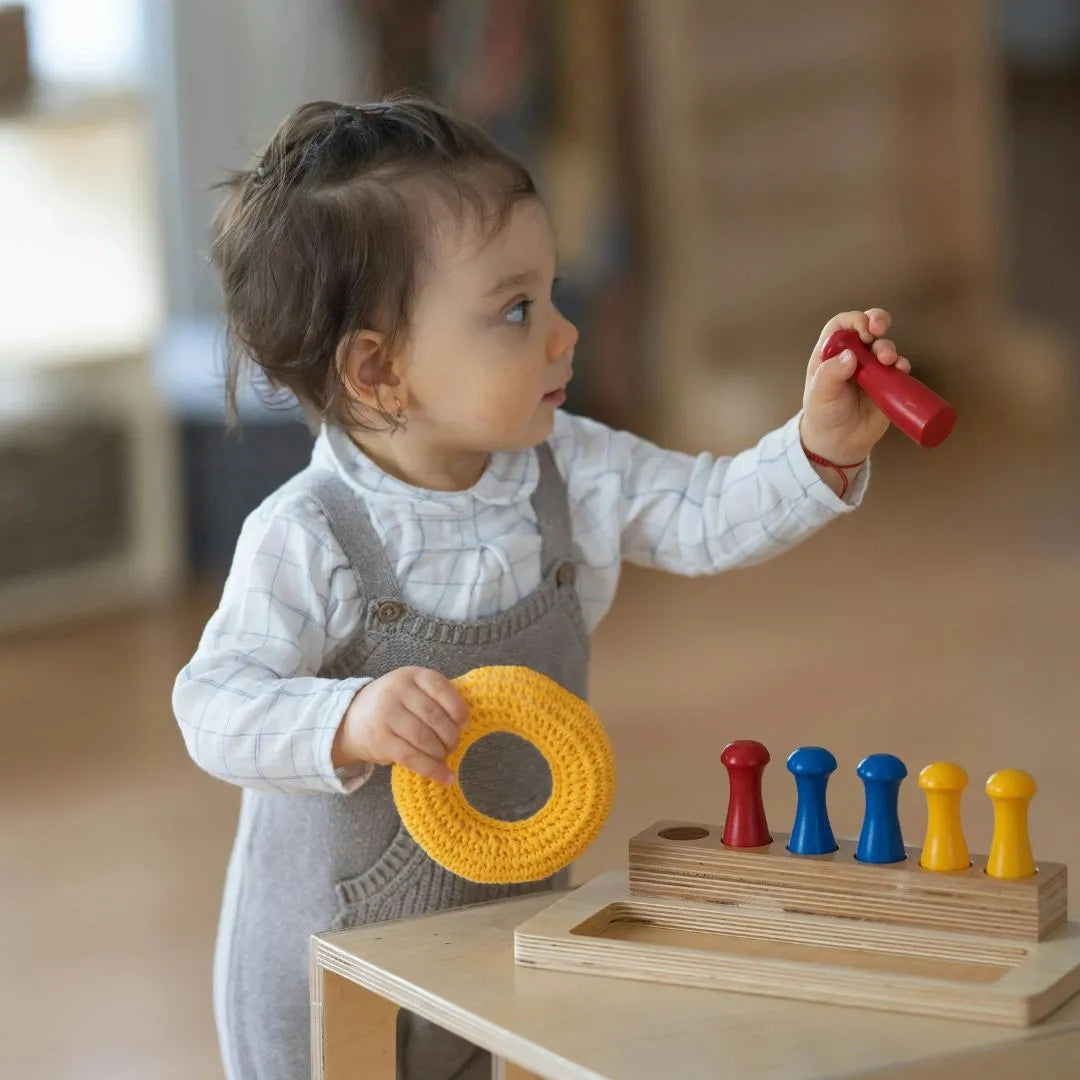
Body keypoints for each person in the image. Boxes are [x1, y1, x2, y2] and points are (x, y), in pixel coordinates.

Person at [172, 95, 911, 1080]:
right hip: (333, 969)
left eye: (553, 293)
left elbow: (705, 513)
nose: (565, 333)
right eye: (516, 310)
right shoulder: (310, 537)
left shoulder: (571, 469)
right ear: (379, 370)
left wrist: (815, 448)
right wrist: (347, 718)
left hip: (509, 940)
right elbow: (213, 706)